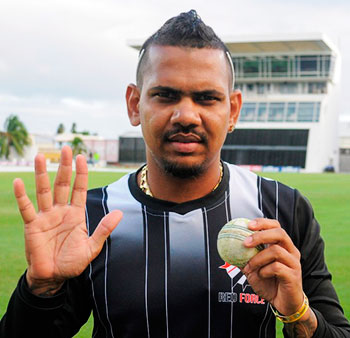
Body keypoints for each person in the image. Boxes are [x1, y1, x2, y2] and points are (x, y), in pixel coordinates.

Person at [1, 10, 350, 338]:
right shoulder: (90, 219)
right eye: (165, 95)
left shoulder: (282, 209)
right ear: (135, 105)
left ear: (233, 111)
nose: (186, 115)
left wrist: (298, 312)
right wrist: (40, 289)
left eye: (207, 98)